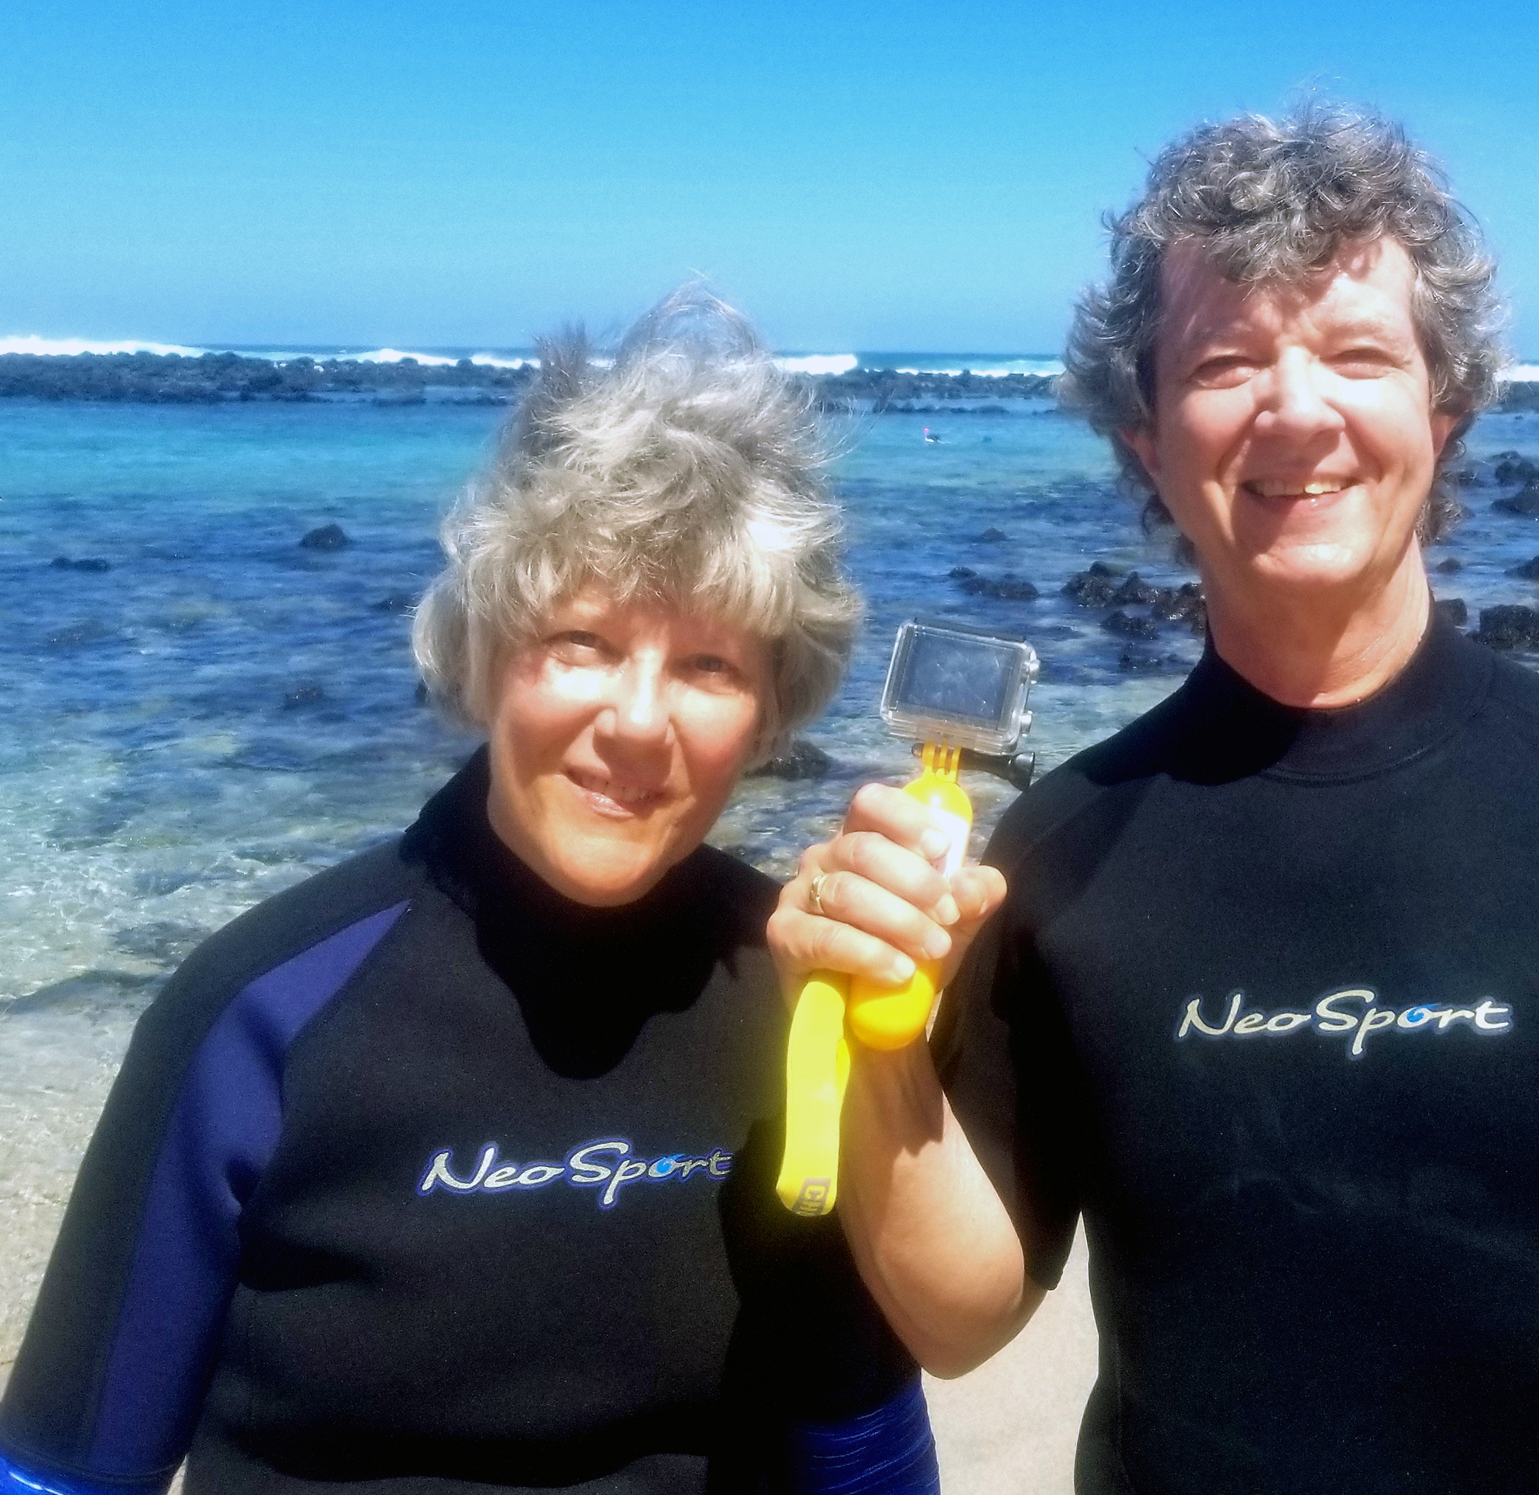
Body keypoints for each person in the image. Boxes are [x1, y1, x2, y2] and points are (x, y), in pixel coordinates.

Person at [768, 108, 1539, 1493]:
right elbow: (956, 1320)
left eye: (1355, 352)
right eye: (1222, 360)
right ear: (1144, 440)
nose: (1293, 406)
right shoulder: (1060, 844)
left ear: (1441, 414)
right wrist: (883, 1047)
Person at [0, 292, 937, 1495]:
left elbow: (859, 1446)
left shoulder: (800, 993)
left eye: (708, 663)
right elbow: (67, 1471)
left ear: (770, 712)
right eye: (584, 641)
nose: (638, 724)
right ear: (491, 653)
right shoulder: (261, 1012)